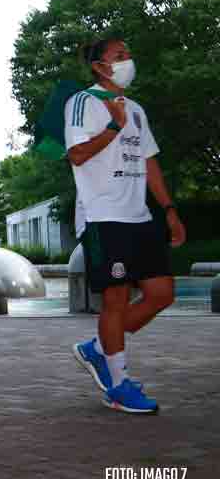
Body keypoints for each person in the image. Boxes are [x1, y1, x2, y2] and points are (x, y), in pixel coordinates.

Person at [67, 37, 183, 414]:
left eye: (129, 54)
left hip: (140, 217)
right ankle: (117, 385)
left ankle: (98, 349)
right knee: (114, 300)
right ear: (100, 67)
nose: (127, 61)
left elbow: (149, 161)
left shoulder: (136, 109)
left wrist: (168, 209)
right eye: (119, 56)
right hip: (102, 216)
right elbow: (77, 154)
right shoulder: (83, 102)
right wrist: (113, 128)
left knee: (162, 293)